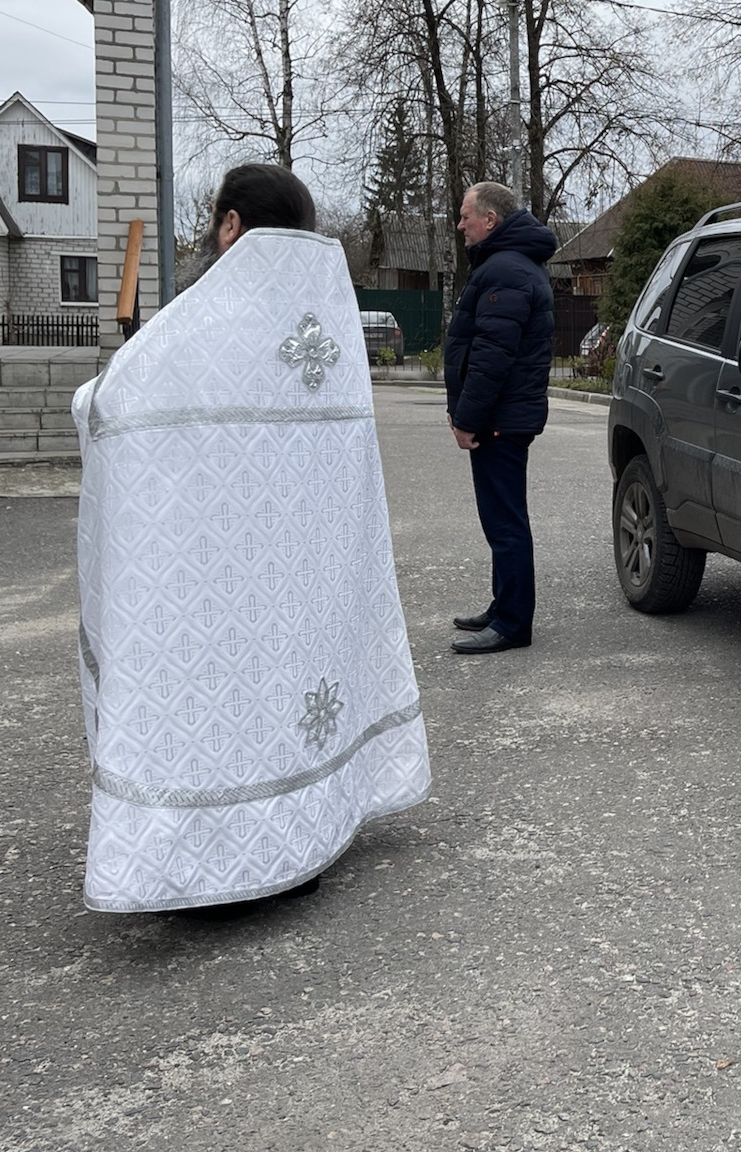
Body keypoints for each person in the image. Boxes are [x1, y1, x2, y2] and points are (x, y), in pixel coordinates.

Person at [72, 164, 431, 914]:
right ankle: (306, 834)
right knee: (294, 677)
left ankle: (211, 863)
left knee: (223, 690)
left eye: (215, 223)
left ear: (231, 224)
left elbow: (112, 403)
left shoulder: (200, 322)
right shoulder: (326, 332)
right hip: (306, 570)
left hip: (216, 570)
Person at [444, 181, 558, 654]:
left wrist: (466, 418)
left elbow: (492, 356)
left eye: (466, 215)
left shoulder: (506, 270)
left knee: (506, 520)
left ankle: (513, 623)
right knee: (500, 517)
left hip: (499, 419)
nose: (461, 224)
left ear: (490, 220)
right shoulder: (506, 265)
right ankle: (503, 605)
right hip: (502, 416)